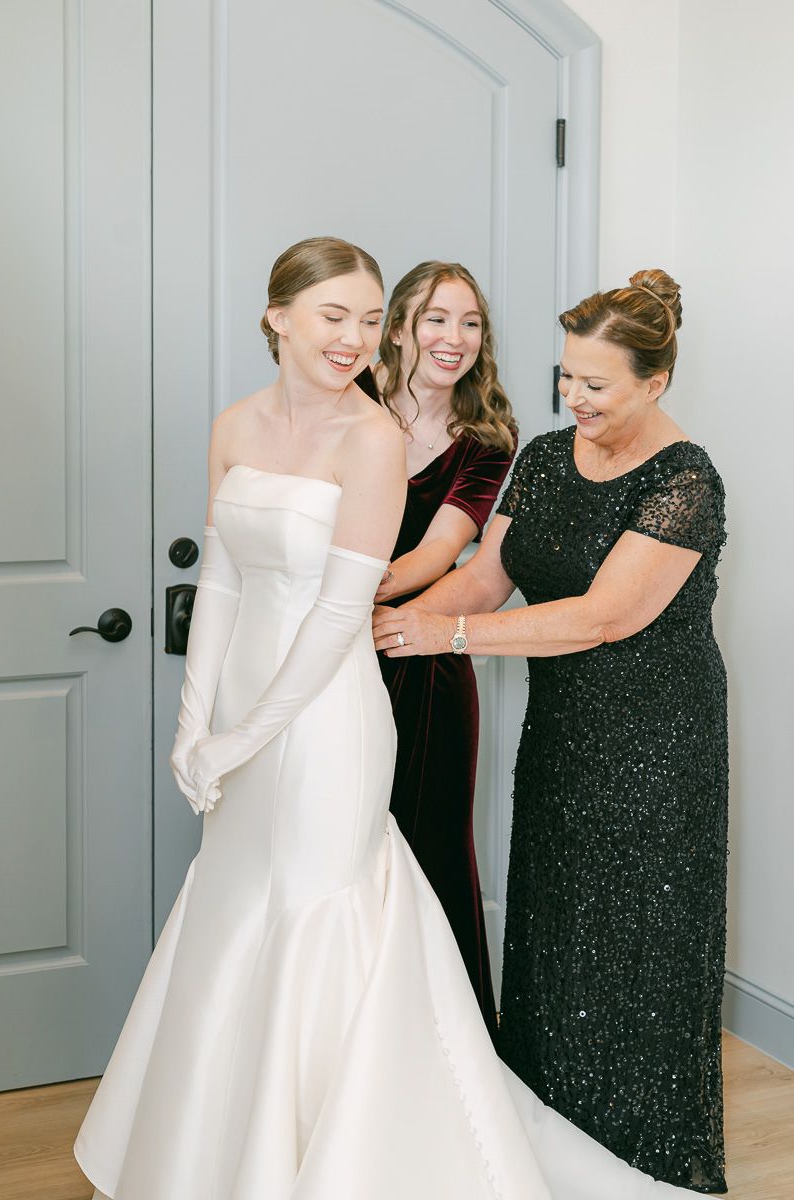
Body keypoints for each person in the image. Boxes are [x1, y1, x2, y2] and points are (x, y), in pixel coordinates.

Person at [75, 243, 701, 1199]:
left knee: (348, 901)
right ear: (279, 315)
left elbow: (374, 597)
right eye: (340, 316)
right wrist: (196, 723)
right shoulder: (241, 424)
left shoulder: (402, 441)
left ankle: (351, 1152)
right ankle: (221, 1147)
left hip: (352, 693)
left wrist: (269, 720)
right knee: (237, 905)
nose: (358, 337)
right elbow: (224, 574)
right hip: (271, 685)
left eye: (369, 319)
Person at [373, 270, 728, 1193]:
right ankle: (543, 1140)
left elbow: (601, 616)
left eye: (596, 385)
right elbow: (489, 580)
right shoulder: (542, 455)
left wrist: (442, 635)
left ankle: (643, 1159)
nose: (574, 398)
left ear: (654, 384)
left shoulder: (687, 480)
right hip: (565, 730)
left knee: (635, 943)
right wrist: (382, 626)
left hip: (658, 742)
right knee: (555, 926)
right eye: (565, 377)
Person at [363, 261, 516, 1038]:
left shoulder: (488, 436)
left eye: (470, 323)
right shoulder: (348, 406)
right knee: (345, 842)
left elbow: (437, 553)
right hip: (334, 655)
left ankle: (447, 1049)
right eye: (436, 319)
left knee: (429, 848)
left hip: (424, 665)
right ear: (397, 327)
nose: (454, 339)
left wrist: (346, 600)